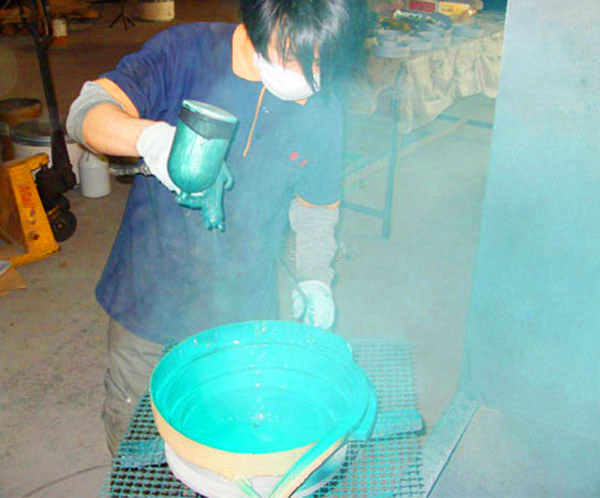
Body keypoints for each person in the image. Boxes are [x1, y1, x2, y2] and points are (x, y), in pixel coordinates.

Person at [67, 0, 366, 455]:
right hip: (149, 295)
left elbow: (315, 211)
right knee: (138, 433)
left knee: (225, 435)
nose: (308, 81)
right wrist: (151, 139)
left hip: (243, 309)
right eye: (293, 58)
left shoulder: (322, 107)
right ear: (260, 24)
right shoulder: (186, 52)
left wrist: (314, 278)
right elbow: (86, 112)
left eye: (323, 64)